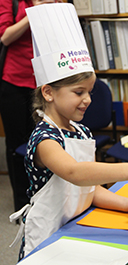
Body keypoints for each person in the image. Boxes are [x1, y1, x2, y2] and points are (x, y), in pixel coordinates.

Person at [9, 3, 128, 261]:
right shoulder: (44, 139)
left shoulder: (80, 131)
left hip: (76, 227)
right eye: (78, 92)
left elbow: (89, 188)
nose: (88, 100)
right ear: (48, 92)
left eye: (89, 92)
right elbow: (75, 173)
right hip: (48, 237)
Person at [0, 0, 62, 212]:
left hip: (46, 83)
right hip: (14, 82)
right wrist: (33, 14)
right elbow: (5, 36)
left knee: (46, 140)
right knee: (17, 146)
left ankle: (45, 200)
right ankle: (22, 204)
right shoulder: (12, 2)